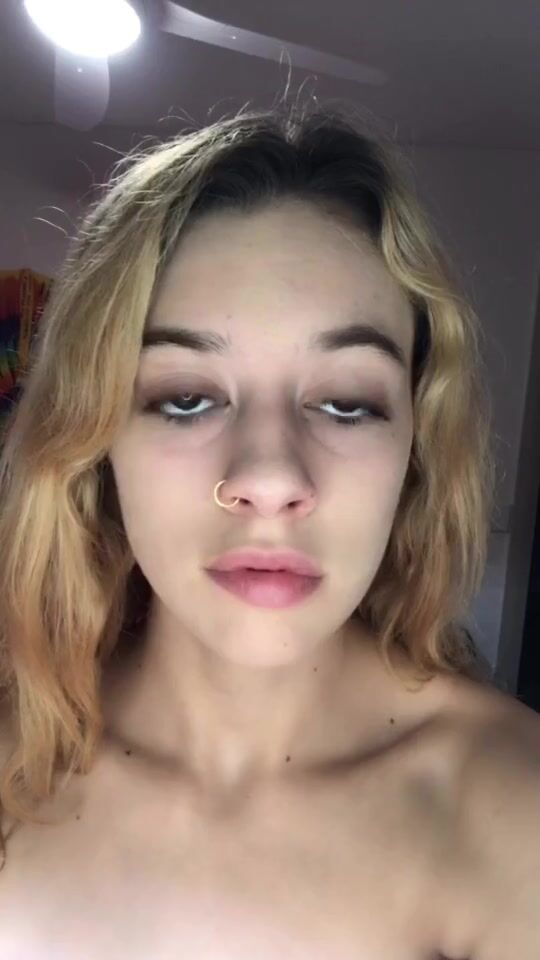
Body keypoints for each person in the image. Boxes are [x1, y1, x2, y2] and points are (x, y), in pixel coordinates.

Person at [0, 100, 538, 959]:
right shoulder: (15, 758)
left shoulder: (512, 812)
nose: (271, 479)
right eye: (186, 398)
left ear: (416, 447)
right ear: (96, 441)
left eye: (347, 402)